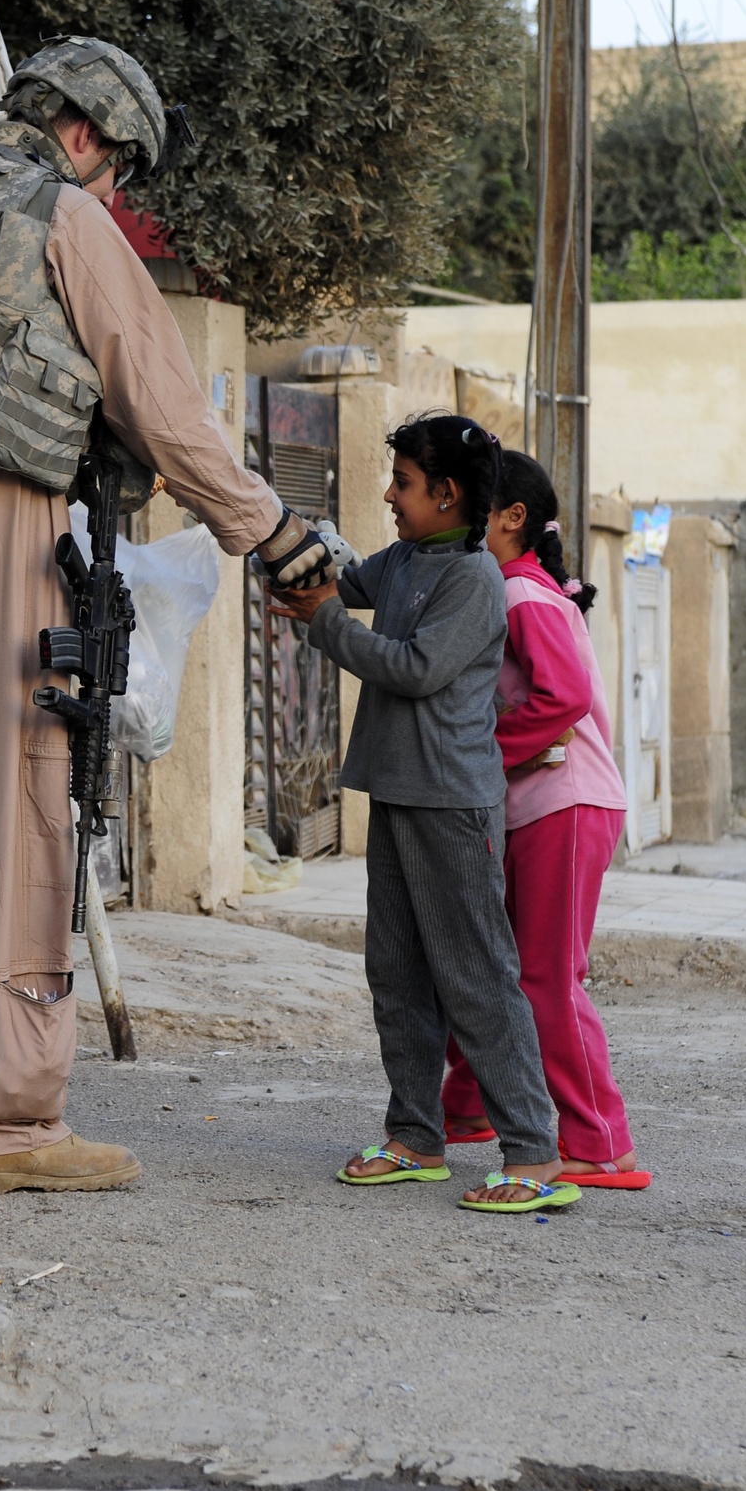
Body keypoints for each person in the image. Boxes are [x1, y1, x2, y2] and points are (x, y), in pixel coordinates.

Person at [0, 37, 334, 1196]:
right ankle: (3, 1127)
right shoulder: (56, 210)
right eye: (118, 170)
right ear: (86, 133)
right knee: (11, 811)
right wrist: (270, 533)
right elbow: (163, 401)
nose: (114, 194)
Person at [272, 412, 581, 1215]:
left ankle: (534, 1153)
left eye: (404, 484)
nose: (391, 495)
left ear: (448, 495)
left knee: (477, 976)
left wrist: (327, 622)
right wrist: (289, 546)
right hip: (401, 792)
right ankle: (415, 1137)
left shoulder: (474, 580)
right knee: (397, 972)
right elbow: (349, 579)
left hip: (452, 802)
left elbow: (413, 668)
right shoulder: (412, 555)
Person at [442, 451, 652, 1189]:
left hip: (565, 806)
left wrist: (478, 754)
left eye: (468, 503)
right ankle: (466, 1109)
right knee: (496, 964)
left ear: (511, 519)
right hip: (540, 805)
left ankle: (600, 1142)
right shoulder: (508, 589)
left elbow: (560, 701)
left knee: (547, 979)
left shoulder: (524, 596)